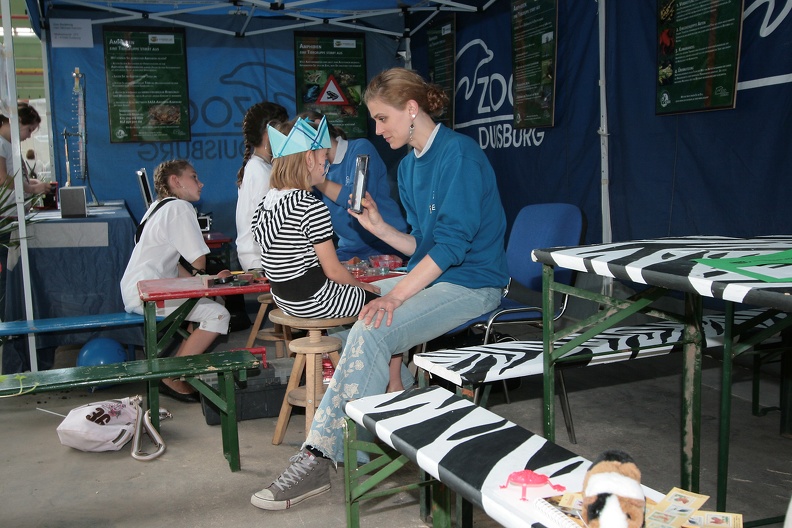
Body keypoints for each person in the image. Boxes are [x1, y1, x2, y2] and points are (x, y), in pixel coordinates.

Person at [250, 67, 509, 511]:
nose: (376, 129)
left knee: (375, 322)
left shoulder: (459, 157)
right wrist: (380, 229)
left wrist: (395, 295)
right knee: (359, 323)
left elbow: (451, 248)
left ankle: (316, 457)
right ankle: (403, 412)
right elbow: (420, 245)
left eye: (382, 118)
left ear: (412, 110)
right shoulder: (408, 167)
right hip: (441, 273)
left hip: (475, 283)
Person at [120, 160, 232, 402]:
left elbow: (179, 266)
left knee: (212, 306)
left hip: (140, 289)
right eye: (194, 176)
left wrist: (208, 281)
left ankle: (181, 369)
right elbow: (199, 261)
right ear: (175, 181)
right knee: (218, 314)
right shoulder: (180, 207)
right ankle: (173, 375)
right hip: (149, 293)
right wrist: (209, 279)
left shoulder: (157, 207)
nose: (200, 183)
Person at [250, 116, 381, 319]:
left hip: (284, 300)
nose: (326, 166)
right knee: (382, 305)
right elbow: (333, 271)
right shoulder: (310, 206)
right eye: (323, 160)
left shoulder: (266, 203)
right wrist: (362, 287)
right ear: (309, 160)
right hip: (314, 299)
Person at [298, 110, 408, 262]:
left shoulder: (360, 148)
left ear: (319, 126)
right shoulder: (316, 171)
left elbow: (358, 201)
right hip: (349, 251)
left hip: (387, 245)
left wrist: (316, 179)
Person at [235, 102, 289, 271]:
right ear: (271, 131)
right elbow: (270, 227)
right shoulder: (260, 171)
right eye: (285, 130)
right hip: (261, 262)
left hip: (259, 259)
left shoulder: (258, 166)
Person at [0, 103, 51, 211]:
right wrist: (31, 188)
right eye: (29, 130)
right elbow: (2, 178)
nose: (29, 136)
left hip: (16, 212)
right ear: (18, 121)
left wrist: (32, 182)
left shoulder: (10, 146)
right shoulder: (1, 144)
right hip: (7, 214)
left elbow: (13, 176)